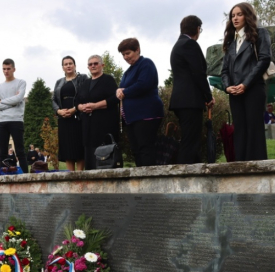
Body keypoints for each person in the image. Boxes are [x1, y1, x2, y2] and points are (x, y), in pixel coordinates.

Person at [221, 2, 271, 161]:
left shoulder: (260, 33)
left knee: (254, 130)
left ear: (247, 16)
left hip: (254, 89)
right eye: (233, 16)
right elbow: (224, 71)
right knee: (240, 131)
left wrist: (246, 84)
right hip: (235, 93)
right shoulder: (230, 42)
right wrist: (228, 87)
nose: (235, 18)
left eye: (239, 14)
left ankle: (256, 171)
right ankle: (240, 169)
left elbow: (264, 59)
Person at [170, 15, 215, 164]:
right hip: (190, 101)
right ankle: (185, 178)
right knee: (190, 142)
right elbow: (199, 73)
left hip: (181, 101)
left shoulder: (177, 45)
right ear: (197, 29)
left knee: (190, 140)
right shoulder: (190, 44)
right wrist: (208, 97)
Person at [116, 38, 164, 167]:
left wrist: (125, 92)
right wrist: (118, 91)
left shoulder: (146, 64)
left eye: (128, 53)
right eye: (123, 55)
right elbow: (122, 87)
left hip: (146, 114)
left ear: (137, 50)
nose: (126, 57)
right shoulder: (128, 71)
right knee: (136, 150)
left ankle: (149, 181)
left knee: (145, 148)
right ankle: (140, 181)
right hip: (132, 118)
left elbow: (144, 84)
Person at [75, 55, 119, 170]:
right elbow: (76, 101)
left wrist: (95, 106)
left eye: (96, 63)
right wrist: (82, 107)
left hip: (104, 126)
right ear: (88, 67)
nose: (93, 66)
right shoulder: (85, 83)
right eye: (90, 64)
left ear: (102, 65)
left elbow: (114, 99)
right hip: (88, 128)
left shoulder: (108, 80)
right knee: (90, 159)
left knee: (105, 159)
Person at [0, 58, 28, 173]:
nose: (6, 71)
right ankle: (2, 177)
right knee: (2, 151)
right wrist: (12, 103)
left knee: (20, 150)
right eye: (4, 69)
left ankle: (26, 176)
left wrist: (1, 101)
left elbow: (19, 98)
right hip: (2, 122)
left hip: (16, 120)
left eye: (8, 69)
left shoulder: (21, 82)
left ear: (14, 69)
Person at [52, 56, 87, 171]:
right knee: (67, 147)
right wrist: (58, 111)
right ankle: (71, 176)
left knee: (79, 146)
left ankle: (80, 174)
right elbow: (53, 100)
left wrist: (74, 109)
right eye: (65, 64)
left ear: (75, 65)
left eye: (70, 63)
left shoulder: (82, 78)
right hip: (63, 118)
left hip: (78, 116)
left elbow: (85, 95)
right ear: (63, 67)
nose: (68, 66)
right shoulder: (59, 82)